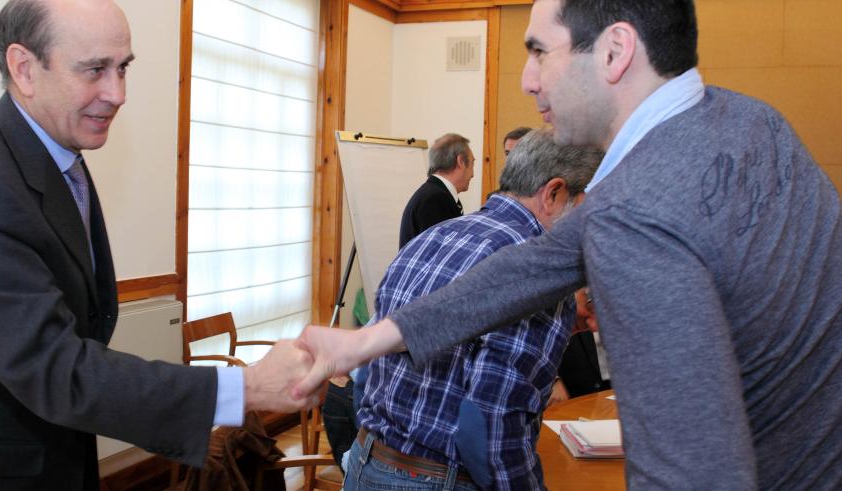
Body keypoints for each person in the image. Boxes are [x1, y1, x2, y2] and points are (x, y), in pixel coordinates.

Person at [294, 0, 842, 488]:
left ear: (614, 52)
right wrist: (364, 343)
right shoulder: (747, 120)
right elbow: (530, 269)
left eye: (539, 51)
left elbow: (688, 468)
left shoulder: (635, 213)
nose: (528, 79)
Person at [0, 1, 314, 488]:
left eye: (123, 68)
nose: (117, 93)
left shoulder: (52, 151)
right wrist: (246, 387)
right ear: (25, 68)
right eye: (95, 70)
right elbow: (53, 366)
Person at [345, 130, 600, 491]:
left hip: (366, 462)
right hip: (438, 480)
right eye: (591, 207)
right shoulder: (539, 275)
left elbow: (370, 371)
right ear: (555, 194)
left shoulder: (431, 238)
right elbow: (493, 426)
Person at [398, 133, 475, 248]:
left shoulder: (434, 193)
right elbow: (438, 254)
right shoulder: (434, 199)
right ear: (460, 161)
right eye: (472, 163)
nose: (473, 174)